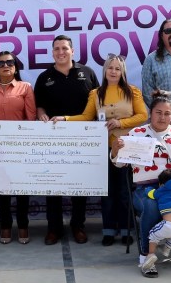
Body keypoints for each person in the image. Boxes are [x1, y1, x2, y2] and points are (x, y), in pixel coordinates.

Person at [111, 90, 171, 277]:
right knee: (151, 205)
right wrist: (115, 150)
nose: (162, 117)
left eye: (167, 113)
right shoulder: (137, 133)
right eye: (158, 113)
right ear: (151, 113)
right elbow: (120, 163)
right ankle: (146, 256)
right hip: (146, 187)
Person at [59, 54, 148, 246]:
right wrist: (64, 118)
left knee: (124, 192)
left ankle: (126, 230)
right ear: (105, 70)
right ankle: (108, 231)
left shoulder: (133, 92)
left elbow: (142, 115)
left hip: (127, 148)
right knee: (107, 192)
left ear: (122, 71)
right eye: (110, 68)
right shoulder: (96, 94)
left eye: (117, 68)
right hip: (103, 148)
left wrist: (120, 122)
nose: (114, 71)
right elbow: (85, 117)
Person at [34, 35, 99, 245]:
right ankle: (54, 228)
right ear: (52, 52)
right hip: (53, 139)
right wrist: (41, 114)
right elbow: (39, 105)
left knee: (78, 184)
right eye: (56, 49)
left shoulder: (87, 73)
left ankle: (77, 225)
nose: (60, 52)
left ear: (72, 51)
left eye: (64, 48)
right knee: (53, 184)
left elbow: (99, 105)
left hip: (82, 138)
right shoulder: (44, 77)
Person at [0, 51, 37, 244]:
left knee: (22, 189)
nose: (6, 65)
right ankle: (5, 225)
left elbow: (31, 117)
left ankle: (23, 225)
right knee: (1, 188)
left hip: (20, 147)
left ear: (15, 67)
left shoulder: (25, 88)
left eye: (10, 62)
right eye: (1, 63)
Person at [140, 169, 171, 274]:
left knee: (153, 235)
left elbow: (151, 194)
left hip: (167, 225)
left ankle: (150, 255)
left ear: (162, 184)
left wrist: (147, 189)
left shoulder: (162, 190)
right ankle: (166, 249)